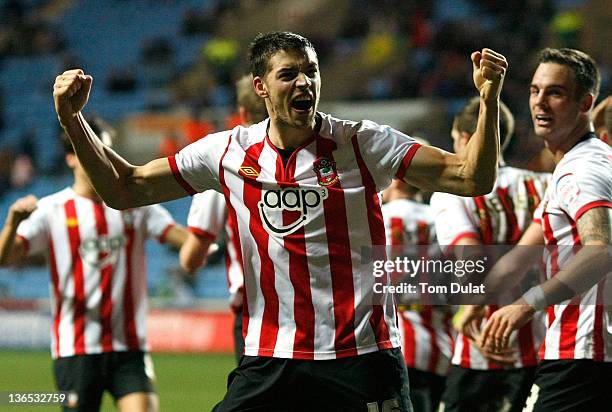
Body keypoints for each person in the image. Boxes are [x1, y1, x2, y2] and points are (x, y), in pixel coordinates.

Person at [52, 31, 507, 411]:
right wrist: (74, 120)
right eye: (289, 74)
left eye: (311, 71)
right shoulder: (228, 152)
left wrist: (488, 99)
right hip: (272, 358)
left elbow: (470, 177)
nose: (305, 82)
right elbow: (124, 188)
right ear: (261, 87)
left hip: (361, 357)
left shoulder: (362, 143)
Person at [0, 118, 188, 412]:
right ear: (71, 158)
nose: (99, 160)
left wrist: (210, 233)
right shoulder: (51, 210)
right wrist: (12, 223)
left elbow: (188, 242)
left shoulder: (135, 206)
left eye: (104, 151)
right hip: (76, 349)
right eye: (88, 151)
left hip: (129, 347)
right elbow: (5, 258)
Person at [479, 48, 611, 411]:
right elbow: (517, 259)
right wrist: (476, 307)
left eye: (555, 93)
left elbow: (601, 249)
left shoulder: (581, 169)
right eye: (535, 90)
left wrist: (526, 304)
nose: (540, 103)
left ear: (585, 102)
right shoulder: (576, 166)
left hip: (584, 354)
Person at [430, 97, 550, 412]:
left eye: (455, 140)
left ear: (466, 138)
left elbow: (470, 256)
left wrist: (468, 305)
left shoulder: (452, 192)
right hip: (540, 345)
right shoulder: (543, 184)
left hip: (478, 345)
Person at [180, 73, 268, 363]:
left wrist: (206, 249)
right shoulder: (314, 158)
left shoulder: (225, 165)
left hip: (256, 316)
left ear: (242, 113)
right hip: (317, 313)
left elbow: (191, 259)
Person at [381, 177, 454, 412]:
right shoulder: (442, 219)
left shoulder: (377, 217)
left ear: (396, 181)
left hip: (390, 343)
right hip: (440, 347)